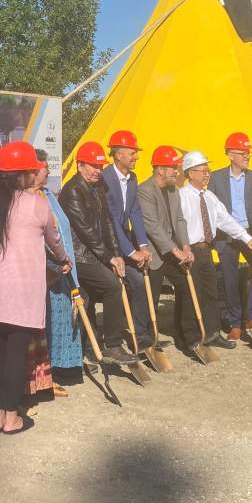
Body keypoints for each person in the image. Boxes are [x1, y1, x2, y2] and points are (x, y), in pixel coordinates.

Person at [0, 141, 71, 434]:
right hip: (23, 292)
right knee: (16, 355)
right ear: (24, 173)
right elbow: (55, 242)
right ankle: (11, 418)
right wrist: (64, 260)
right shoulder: (36, 204)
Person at [60, 142, 140, 366]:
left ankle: (90, 349)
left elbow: (107, 223)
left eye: (100, 165)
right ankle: (113, 345)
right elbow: (85, 231)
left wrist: (117, 255)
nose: (98, 170)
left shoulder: (98, 186)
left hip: (96, 253)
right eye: (93, 166)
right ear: (80, 165)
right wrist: (109, 258)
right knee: (113, 287)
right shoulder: (72, 190)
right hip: (79, 256)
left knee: (90, 298)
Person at [179, 150, 252, 349]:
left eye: (208, 170)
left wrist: (248, 238)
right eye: (203, 170)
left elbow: (227, 221)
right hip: (189, 250)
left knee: (211, 293)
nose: (207, 174)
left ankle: (212, 332)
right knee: (192, 294)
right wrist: (183, 249)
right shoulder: (182, 196)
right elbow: (177, 225)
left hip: (206, 249)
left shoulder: (209, 197)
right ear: (190, 173)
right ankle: (191, 338)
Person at [207, 132, 252, 338]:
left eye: (248, 153)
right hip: (225, 235)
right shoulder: (215, 178)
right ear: (230, 155)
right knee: (229, 277)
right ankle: (235, 322)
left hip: (249, 232)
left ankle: (251, 315)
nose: (247, 156)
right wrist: (215, 241)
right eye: (243, 153)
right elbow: (210, 211)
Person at [137, 145, 197, 348]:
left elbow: (180, 220)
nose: (177, 171)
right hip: (153, 252)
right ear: (160, 169)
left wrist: (186, 246)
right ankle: (146, 339)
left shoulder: (174, 190)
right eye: (173, 167)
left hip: (172, 250)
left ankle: (186, 336)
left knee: (187, 285)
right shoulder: (145, 190)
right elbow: (153, 227)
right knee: (150, 296)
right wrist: (175, 250)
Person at [101, 129, 155, 349]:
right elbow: (111, 220)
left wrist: (142, 245)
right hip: (105, 244)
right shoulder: (104, 178)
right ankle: (109, 337)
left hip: (124, 241)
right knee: (113, 286)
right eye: (132, 152)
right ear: (118, 154)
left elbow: (134, 212)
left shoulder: (132, 178)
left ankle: (140, 335)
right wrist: (131, 252)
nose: (136, 157)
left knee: (140, 281)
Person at [34, 149, 81, 391]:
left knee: (62, 317)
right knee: (46, 322)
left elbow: (61, 228)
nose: (49, 171)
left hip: (62, 267)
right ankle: (44, 374)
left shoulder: (49, 195)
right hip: (45, 270)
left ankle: (60, 366)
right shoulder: (30, 199)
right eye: (44, 168)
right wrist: (55, 263)